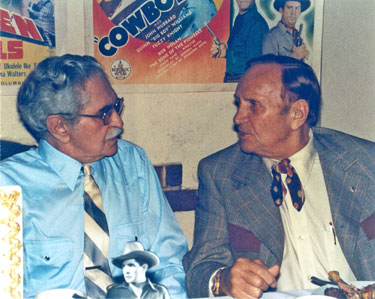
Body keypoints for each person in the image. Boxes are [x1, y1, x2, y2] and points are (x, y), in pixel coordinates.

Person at [183, 54, 375, 298]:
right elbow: (199, 270)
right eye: (238, 103)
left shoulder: (366, 163)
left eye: (254, 105)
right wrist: (225, 280)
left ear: (297, 114)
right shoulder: (221, 173)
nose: (238, 118)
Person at [0, 54, 187, 299]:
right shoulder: (9, 185)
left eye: (116, 106)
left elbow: (168, 263)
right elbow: (7, 290)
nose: (118, 122)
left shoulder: (132, 163)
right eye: (104, 114)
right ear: (59, 127)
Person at [210, 0, 268, 83]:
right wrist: (226, 53)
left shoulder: (257, 24)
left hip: (243, 82)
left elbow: (254, 67)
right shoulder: (240, 18)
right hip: (232, 79)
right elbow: (241, 54)